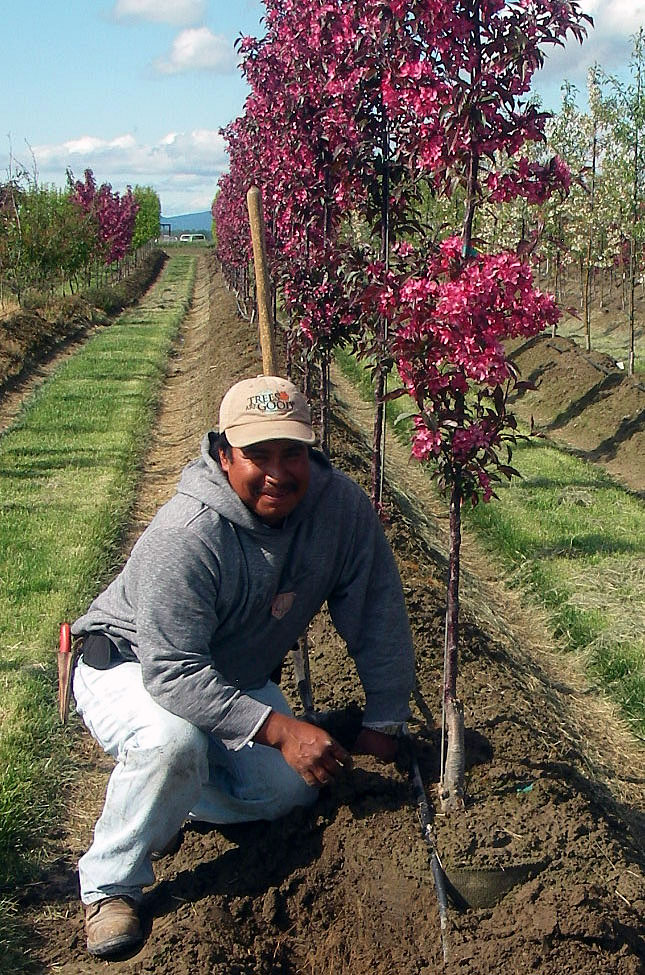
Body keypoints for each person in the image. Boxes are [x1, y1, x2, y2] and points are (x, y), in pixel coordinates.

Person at [71, 375, 415, 959]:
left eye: (293, 453)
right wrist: (280, 729)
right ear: (223, 454)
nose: (278, 472)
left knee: (294, 793)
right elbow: (173, 672)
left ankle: (172, 798)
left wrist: (385, 722)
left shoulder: (341, 512)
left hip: (230, 675)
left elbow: (377, 607)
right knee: (171, 743)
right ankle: (111, 884)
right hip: (131, 666)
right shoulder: (186, 535)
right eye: (257, 455)